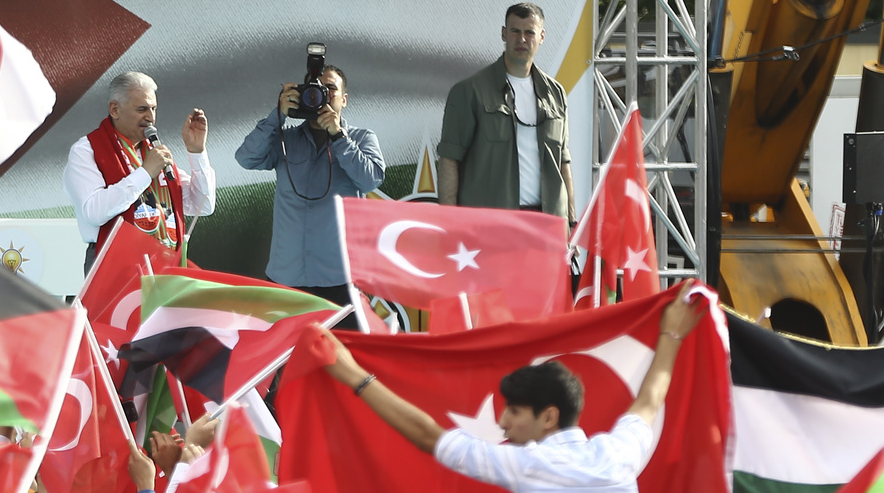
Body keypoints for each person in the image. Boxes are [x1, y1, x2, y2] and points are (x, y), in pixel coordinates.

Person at [321, 280, 703, 492]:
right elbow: (650, 401)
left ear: (549, 416)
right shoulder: (618, 453)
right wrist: (672, 334)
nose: (502, 422)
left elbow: (428, 436)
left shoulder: (527, 465)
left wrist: (353, 374)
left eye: (515, 411)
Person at [235, 64, 385, 320]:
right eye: (315, 91)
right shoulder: (285, 138)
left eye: (330, 90)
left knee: (344, 356)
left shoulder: (361, 138)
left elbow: (371, 180)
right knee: (285, 360)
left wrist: (339, 137)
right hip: (287, 276)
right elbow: (246, 158)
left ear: (344, 99)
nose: (322, 97)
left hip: (341, 278)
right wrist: (278, 116)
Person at [437, 2, 576, 229]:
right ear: (504, 34)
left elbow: (563, 163)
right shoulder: (469, 92)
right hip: (490, 228)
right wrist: (449, 226)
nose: (522, 39)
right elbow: (449, 160)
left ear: (541, 36)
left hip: (547, 225)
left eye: (529, 32)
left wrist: (571, 222)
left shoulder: (555, 94)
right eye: (515, 31)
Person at [63, 71, 217, 274]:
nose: (150, 118)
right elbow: (94, 212)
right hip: (113, 262)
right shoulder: (87, 150)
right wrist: (145, 173)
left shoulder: (154, 152)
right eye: (142, 109)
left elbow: (202, 205)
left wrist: (197, 153)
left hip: (164, 262)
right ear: (115, 109)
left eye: (154, 109)